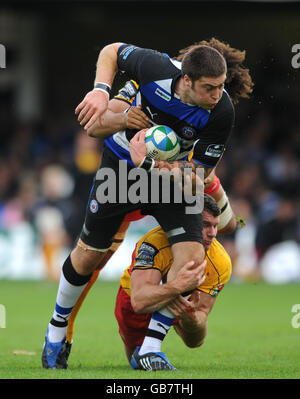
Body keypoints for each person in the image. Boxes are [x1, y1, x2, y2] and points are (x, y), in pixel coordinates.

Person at [42, 39, 252, 369]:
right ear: (186, 80)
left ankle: (150, 348)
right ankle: (56, 330)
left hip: (169, 181)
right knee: (88, 256)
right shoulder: (153, 68)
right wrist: (101, 92)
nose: (217, 95)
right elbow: (110, 51)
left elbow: (199, 175)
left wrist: (153, 166)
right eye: (209, 88)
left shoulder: (222, 112)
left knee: (192, 262)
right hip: (122, 170)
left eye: (220, 87)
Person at [115, 194, 232, 370]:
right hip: (133, 298)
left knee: (195, 339)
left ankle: (151, 349)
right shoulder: (153, 243)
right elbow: (139, 302)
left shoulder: (220, 262)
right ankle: (149, 350)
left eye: (215, 226)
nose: (212, 233)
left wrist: (191, 319)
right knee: (136, 361)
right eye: (205, 225)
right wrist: (178, 286)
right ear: (189, 222)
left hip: (179, 303)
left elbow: (201, 318)